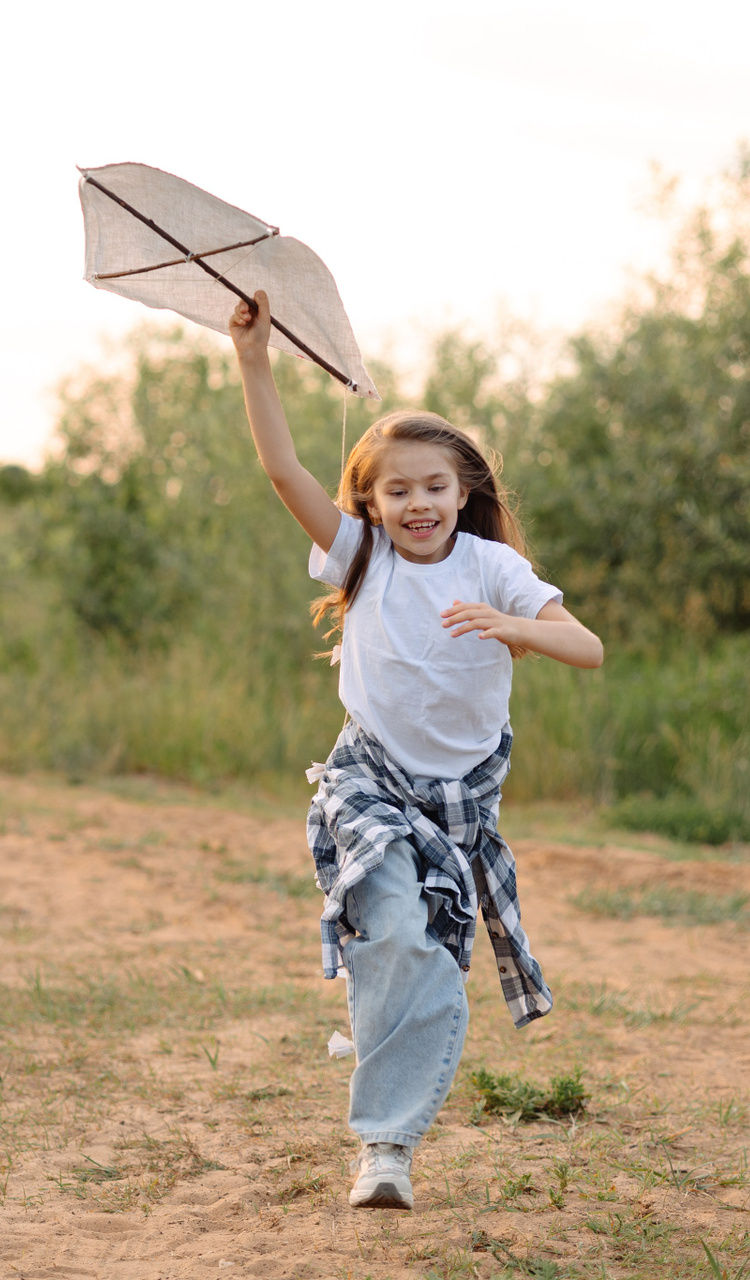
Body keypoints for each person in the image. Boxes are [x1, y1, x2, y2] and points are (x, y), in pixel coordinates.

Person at [228, 290, 604, 1211]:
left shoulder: (492, 569)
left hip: (461, 798)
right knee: (394, 932)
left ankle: (390, 1054)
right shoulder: (363, 557)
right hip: (369, 778)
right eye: (396, 490)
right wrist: (254, 358)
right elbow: (281, 470)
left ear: (463, 492)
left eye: (434, 486)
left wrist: (515, 624)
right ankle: (385, 1148)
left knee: (424, 954)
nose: (418, 503)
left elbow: (588, 647)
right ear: (371, 501)